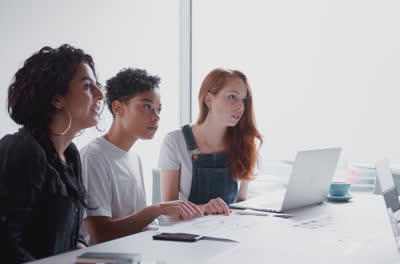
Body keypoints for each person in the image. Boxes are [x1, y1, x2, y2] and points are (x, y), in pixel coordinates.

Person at [0, 44, 104, 263]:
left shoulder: (71, 155)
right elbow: (5, 246)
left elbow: (64, 232)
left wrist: (80, 248)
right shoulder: (22, 151)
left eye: (97, 86)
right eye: (87, 86)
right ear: (56, 98)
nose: (100, 94)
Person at [81, 68, 202, 245]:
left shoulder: (133, 157)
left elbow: (140, 226)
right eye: (146, 107)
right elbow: (100, 235)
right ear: (118, 108)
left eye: (158, 109)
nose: (156, 117)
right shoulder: (93, 156)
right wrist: (156, 210)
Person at [159, 68, 263, 216]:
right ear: (208, 100)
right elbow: (168, 213)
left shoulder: (245, 143)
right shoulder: (174, 142)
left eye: (244, 100)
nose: (240, 106)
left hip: (231, 231)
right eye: (232, 97)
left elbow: (241, 202)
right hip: (188, 234)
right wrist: (204, 209)